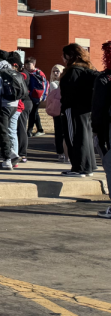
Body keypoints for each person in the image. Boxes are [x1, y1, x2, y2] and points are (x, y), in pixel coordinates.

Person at [58, 43, 97, 177]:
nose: (62, 57)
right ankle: (88, 167)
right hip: (86, 110)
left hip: (72, 109)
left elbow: (68, 92)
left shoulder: (73, 70)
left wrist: (64, 107)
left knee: (73, 138)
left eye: (64, 54)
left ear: (69, 55)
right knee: (85, 138)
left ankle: (78, 168)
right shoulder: (89, 69)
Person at [0, 49, 21, 171]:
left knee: (2, 132)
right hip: (14, 105)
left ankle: (7, 160)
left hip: (2, 105)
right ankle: (11, 154)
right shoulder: (11, 68)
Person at [93, 41, 111, 219]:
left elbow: (98, 107)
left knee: (110, 164)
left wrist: (96, 130)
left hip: (108, 127)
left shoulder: (105, 78)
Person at [47, 64, 66, 162]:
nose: (55, 73)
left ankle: (63, 152)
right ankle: (60, 152)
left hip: (63, 109)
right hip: (58, 109)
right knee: (59, 131)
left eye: (57, 71)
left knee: (62, 131)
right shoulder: (54, 84)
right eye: (53, 71)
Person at [25, 56, 47, 136]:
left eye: (29, 65)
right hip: (29, 95)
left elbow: (44, 85)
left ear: (34, 64)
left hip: (36, 96)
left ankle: (29, 130)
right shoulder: (27, 73)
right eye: (26, 65)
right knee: (34, 113)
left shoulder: (38, 73)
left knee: (33, 113)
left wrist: (43, 96)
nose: (27, 66)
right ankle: (40, 129)